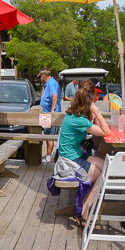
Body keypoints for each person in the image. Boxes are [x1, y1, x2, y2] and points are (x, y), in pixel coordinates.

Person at [53, 88, 110, 221]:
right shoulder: (79, 120)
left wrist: (93, 115)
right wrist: (96, 111)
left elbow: (98, 128)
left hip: (74, 155)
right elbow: (106, 132)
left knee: (107, 166)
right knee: (103, 173)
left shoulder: (73, 115)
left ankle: (84, 206)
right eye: (93, 101)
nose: (95, 101)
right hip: (70, 161)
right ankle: (85, 208)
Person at [39, 69, 62, 160]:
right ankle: (48, 155)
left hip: (50, 115)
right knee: (46, 135)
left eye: (40, 76)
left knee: (50, 136)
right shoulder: (48, 84)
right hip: (45, 114)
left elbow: (54, 95)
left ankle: (48, 156)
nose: (40, 78)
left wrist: (52, 110)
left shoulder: (51, 83)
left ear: (44, 75)